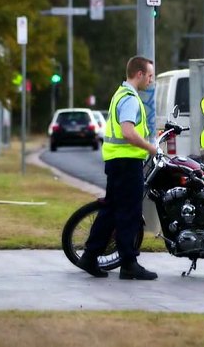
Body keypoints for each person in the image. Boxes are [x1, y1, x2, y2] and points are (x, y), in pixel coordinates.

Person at [78, 56, 158, 280]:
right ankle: (129, 264)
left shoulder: (119, 94)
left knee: (111, 211)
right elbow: (128, 132)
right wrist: (151, 148)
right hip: (127, 163)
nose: (151, 81)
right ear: (139, 74)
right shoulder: (130, 98)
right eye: (150, 76)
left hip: (116, 162)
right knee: (129, 213)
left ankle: (89, 256)